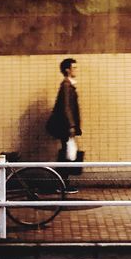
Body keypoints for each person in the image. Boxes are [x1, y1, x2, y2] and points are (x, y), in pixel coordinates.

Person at [46, 58, 82, 193]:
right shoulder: (66, 85)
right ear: (68, 69)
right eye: (75, 67)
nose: (76, 70)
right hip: (65, 127)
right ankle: (62, 184)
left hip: (65, 126)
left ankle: (62, 182)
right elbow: (66, 107)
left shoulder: (68, 85)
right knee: (67, 154)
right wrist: (71, 125)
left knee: (67, 153)